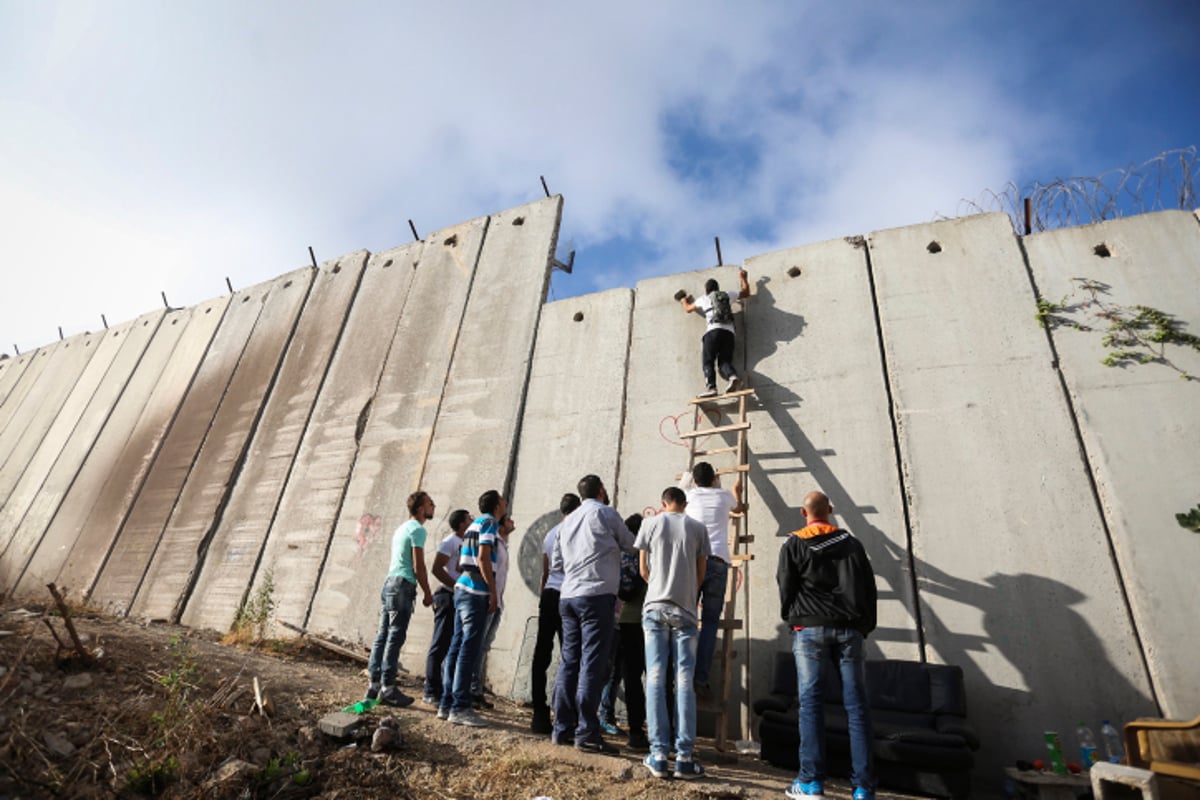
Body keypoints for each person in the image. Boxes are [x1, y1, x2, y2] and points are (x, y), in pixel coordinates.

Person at [777, 491, 878, 800]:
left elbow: (785, 586)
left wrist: (793, 621)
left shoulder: (793, 544)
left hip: (808, 629)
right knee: (857, 708)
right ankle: (863, 789)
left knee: (810, 705)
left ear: (802, 513)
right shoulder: (852, 544)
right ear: (831, 511)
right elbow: (868, 588)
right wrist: (864, 627)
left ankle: (810, 783)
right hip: (849, 631)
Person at [550, 474, 634, 753]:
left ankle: (562, 728)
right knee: (592, 663)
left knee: (569, 661)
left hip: (568, 596)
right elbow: (631, 543)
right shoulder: (605, 513)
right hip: (596, 596)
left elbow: (558, 564)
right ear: (601, 490)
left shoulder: (567, 522)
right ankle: (587, 732)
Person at [636, 486, 711, 780]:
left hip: (654, 608)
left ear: (663, 503)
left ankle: (657, 755)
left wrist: (658, 583)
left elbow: (644, 569)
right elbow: (701, 573)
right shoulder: (698, 528)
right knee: (684, 681)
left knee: (655, 677)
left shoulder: (650, 523)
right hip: (686, 611)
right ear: (684, 503)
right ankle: (684, 757)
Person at [439, 489, 506, 727]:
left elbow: (461, 561)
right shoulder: (489, 523)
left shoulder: (473, 525)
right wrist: (492, 592)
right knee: (469, 650)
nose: (505, 503)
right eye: (503, 500)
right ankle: (460, 707)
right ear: (497, 505)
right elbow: (483, 557)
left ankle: (447, 703)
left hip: (462, 588)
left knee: (457, 647)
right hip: (476, 591)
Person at [365, 491, 436, 707]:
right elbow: (418, 565)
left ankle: (374, 686)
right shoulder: (418, 529)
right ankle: (388, 687)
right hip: (403, 586)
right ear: (421, 509)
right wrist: (427, 592)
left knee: (383, 634)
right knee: (395, 635)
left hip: (390, 583)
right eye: (430, 503)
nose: (434, 506)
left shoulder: (401, 528)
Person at [684, 461, 746, 698]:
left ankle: (683, 676)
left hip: (694, 561)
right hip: (718, 560)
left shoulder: (689, 496)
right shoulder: (723, 496)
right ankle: (701, 678)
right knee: (710, 622)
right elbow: (738, 509)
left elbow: (680, 491)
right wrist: (735, 492)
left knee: (689, 619)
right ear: (713, 479)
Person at [531, 493, 582, 734]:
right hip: (567, 595)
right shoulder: (577, 532)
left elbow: (545, 571)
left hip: (550, 593)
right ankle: (567, 715)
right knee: (570, 657)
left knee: (542, 654)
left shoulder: (551, 534)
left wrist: (543, 598)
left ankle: (539, 713)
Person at [422, 508, 472, 705]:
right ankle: (430, 690)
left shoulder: (466, 543)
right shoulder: (450, 542)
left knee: (452, 645)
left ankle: (443, 688)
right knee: (440, 644)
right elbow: (436, 568)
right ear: (461, 524)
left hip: (459, 598)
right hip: (447, 597)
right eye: (468, 519)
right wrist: (456, 586)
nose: (471, 521)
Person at [678, 267, 751, 397]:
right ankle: (732, 376)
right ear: (718, 289)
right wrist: (743, 278)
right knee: (724, 361)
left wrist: (683, 300)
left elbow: (688, 309)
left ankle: (711, 388)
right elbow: (746, 293)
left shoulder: (703, 299)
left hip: (713, 332)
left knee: (708, 361)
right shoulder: (728, 295)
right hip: (729, 333)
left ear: (706, 290)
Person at [470, 511, 513, 708]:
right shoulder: (492, 538)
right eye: (508, 519)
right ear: (502, 526)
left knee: (483, 646)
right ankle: (471, 690)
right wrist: (491, 594)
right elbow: (484, 561)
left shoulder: (502, 544)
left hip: (497, 600)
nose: (513, 522)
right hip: (488, 597)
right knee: (476, 645)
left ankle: (475, 687)